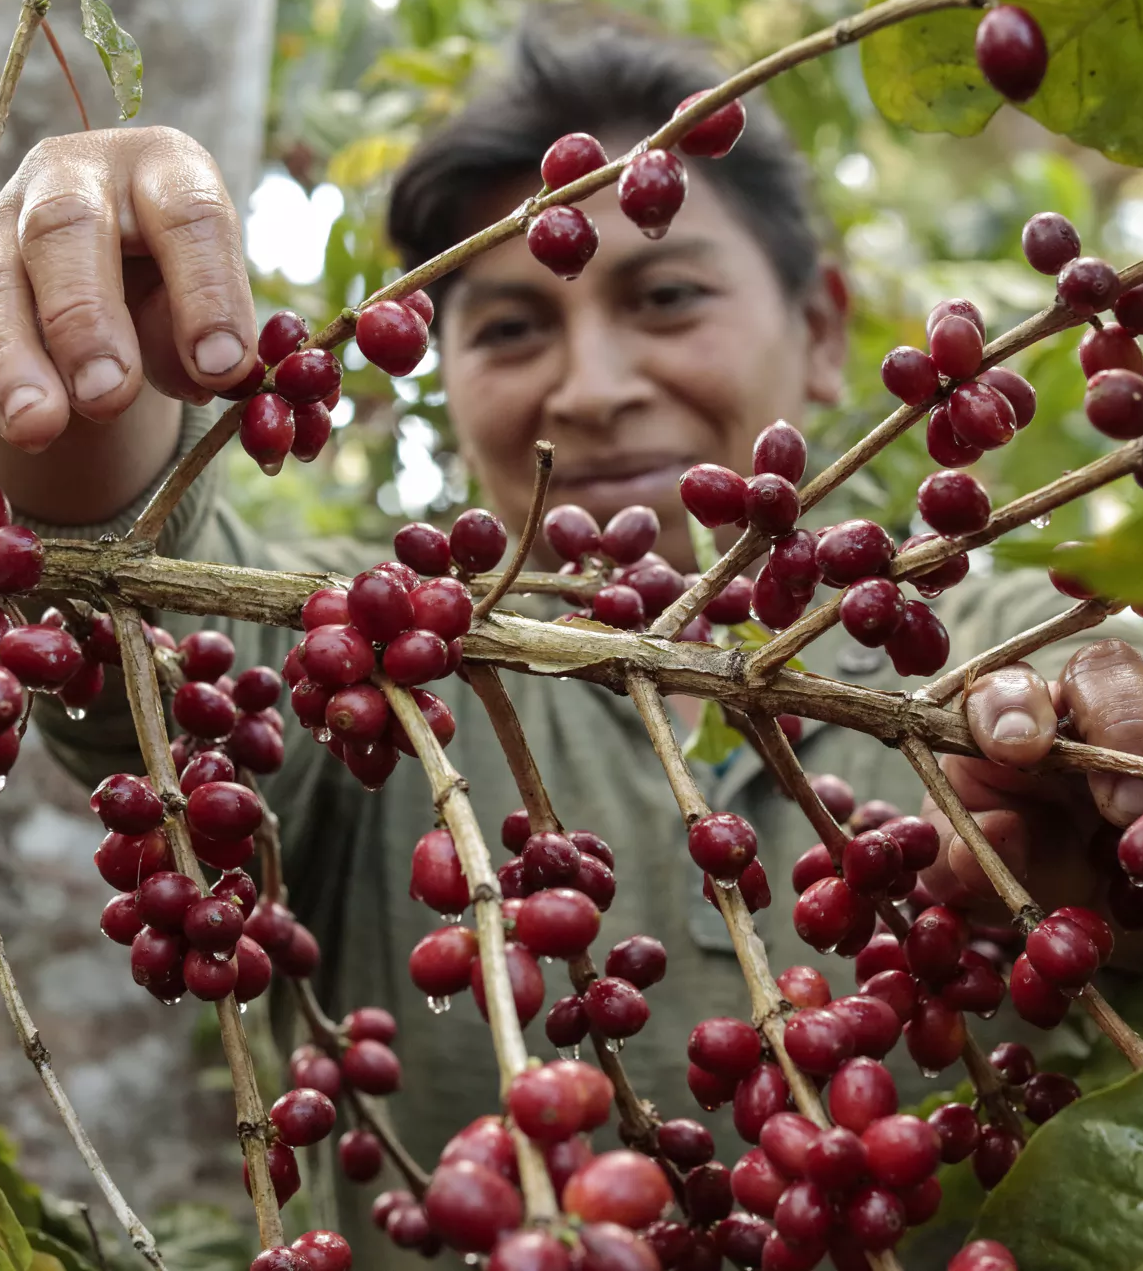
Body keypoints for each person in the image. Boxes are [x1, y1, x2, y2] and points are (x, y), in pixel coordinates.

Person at [0, 8, 1139, 1265]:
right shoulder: (370, 657)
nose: (591, 388)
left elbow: (1085, 697)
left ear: (822, 330)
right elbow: (132, 611)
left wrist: (1107, 809)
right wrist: (84, 334)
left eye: (666, 296)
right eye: (509, 327)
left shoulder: (986, 653)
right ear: (443, 375)